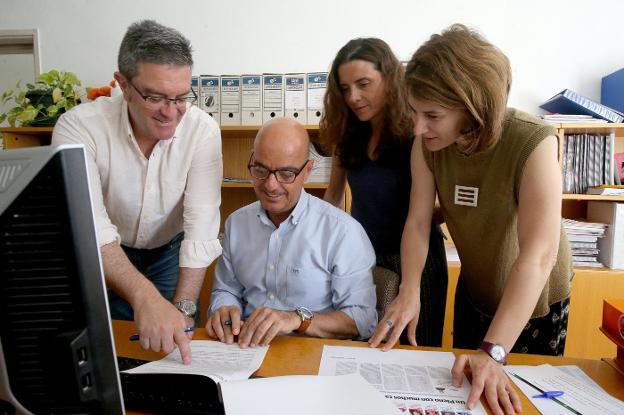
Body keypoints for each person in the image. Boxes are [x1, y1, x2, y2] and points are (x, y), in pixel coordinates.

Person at [371, 24, 573, 415]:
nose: (418, 127)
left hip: (535, 303)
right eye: (414, 112)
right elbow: (417, 223)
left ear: (473, 106)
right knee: (464, 394)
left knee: (517, 403)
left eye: (432, 115)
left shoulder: (533, 141)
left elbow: (538, 255)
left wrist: (494, 350)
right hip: (475, 291)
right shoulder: (428, 146)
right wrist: (409, 289)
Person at [52, 20, 222, 364]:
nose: (171, 112)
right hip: (108, 253)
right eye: (156, 97)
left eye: (180, 97)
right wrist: (144, 295)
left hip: (170, 251)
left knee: (175, 349)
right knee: (110, 347)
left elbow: (201, 223)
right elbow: (92, 229)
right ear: (123, 85)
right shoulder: (78, 128)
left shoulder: (202, 131)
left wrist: (183, 307)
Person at [206, 118, 377, 347]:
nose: (271, 185)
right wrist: (224, 310)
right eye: (260, 170)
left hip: (310, 357)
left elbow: (363, 320)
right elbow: (226, 290)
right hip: (244, 350)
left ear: (307, 171)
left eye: (286, 174)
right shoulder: (236, 224)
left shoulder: (342, 232)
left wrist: (297, 320)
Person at [320, 38, 447, 346]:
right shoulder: (347, 134)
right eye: (345, 88)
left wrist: (420, 220)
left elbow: (447, 204)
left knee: (416, 349)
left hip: (416, 261)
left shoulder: (416, 134)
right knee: (364, 346)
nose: (354, 97)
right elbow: (333, 199)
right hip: (362, 258)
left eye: (364, 84)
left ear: (390, 79)